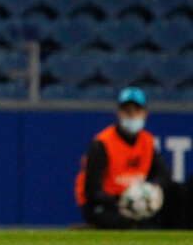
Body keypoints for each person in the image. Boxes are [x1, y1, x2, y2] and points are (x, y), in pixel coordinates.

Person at [75, 87, 191, 229]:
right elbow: (92, 190)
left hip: (137, 200)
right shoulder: (102, 143)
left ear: (144, 113)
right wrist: (122, 202)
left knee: (176, 191)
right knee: (124, 222)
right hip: (107, 202)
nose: (132, 116)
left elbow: (164, 174)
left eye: (136, 111)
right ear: (119, 113)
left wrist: (151, 190)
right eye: (127, 111)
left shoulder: (146, 141)